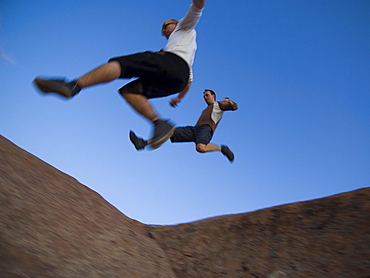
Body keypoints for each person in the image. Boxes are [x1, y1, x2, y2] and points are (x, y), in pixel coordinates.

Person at [33, 0, 206, 149]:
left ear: (175, 24)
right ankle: (159, 122)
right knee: (130, 92)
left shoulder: (184, 27)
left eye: (165, 26)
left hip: (170, 62)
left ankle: (73, 85)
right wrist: (179, 98)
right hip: (178, 79)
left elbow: (197, 7)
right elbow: (188, 82)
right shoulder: (187, 51)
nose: (163, 31)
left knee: (120, 65)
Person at [129, 89, 238, 162]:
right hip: (195, 129)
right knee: (169, 131)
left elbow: (234, 107)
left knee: (200, 148)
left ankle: (222, 149)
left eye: (207, 95)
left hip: (206, 129)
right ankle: (142, 143)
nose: (205, 97)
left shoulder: (219, 106)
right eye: (204, 96)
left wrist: (228, 102)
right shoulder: (210, 107)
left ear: (213, 96)